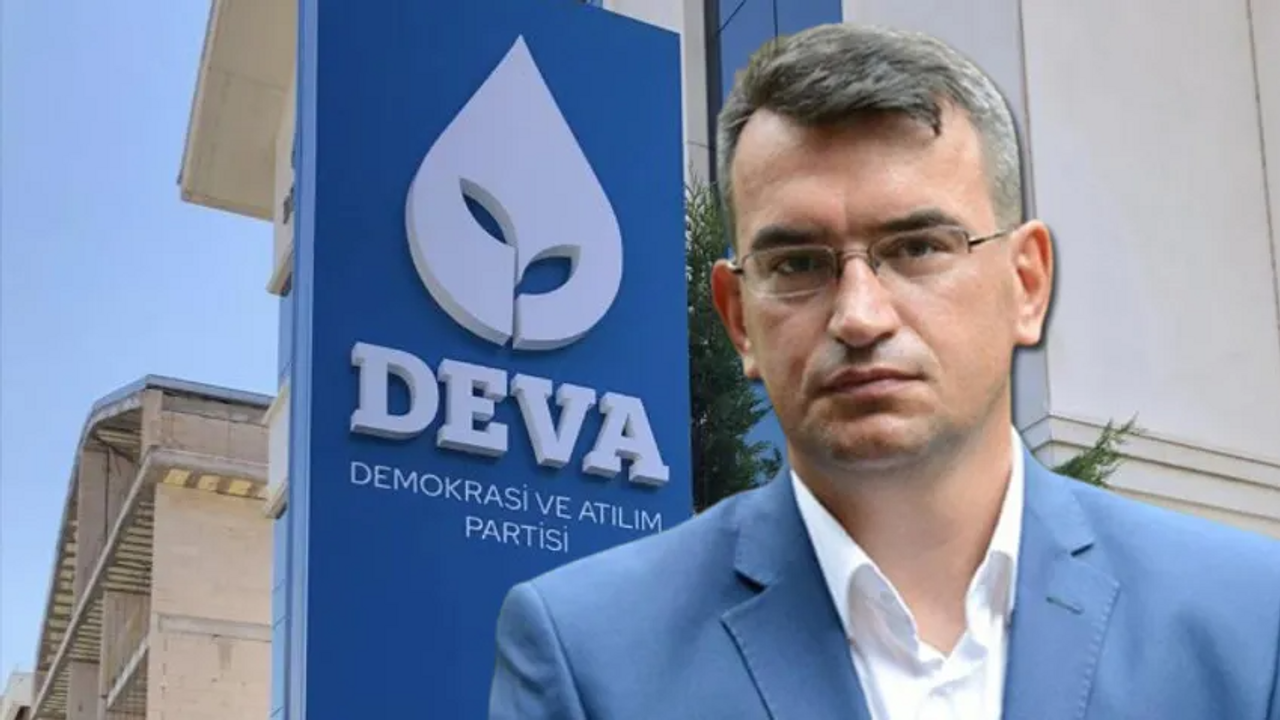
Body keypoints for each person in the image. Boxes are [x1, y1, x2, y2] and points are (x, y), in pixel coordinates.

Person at [488, 22, 1280, 720]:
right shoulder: (591, 656)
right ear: (739, 319)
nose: (860, 315)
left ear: (1026, 284)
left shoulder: (1249, 624)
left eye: (919, 248)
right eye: (798, 263)